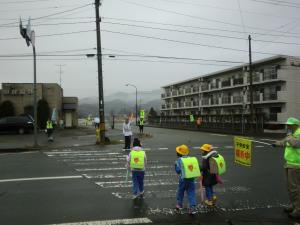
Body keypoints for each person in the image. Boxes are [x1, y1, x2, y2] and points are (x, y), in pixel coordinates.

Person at [272, 117, 300, 219]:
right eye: (287, 124)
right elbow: (285, 142)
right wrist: (276, 144)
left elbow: (296, 143)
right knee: (290, 187)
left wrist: (288, 138)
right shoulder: (291, 134)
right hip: (290, 164)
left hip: (297, 165)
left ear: (296, 125)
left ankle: (298, 209)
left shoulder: (298, 133)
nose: (288, 126)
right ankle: (294, 205)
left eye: (290, 125)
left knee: (295, 188)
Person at [175, 144, 201, 215]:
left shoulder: (179, 161)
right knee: (191, 193)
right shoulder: (191, 159)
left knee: (181, 191)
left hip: (183, 180)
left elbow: (178, 171)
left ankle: (179, 205)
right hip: (191, 180)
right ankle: (192, 208)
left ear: (179, 153)